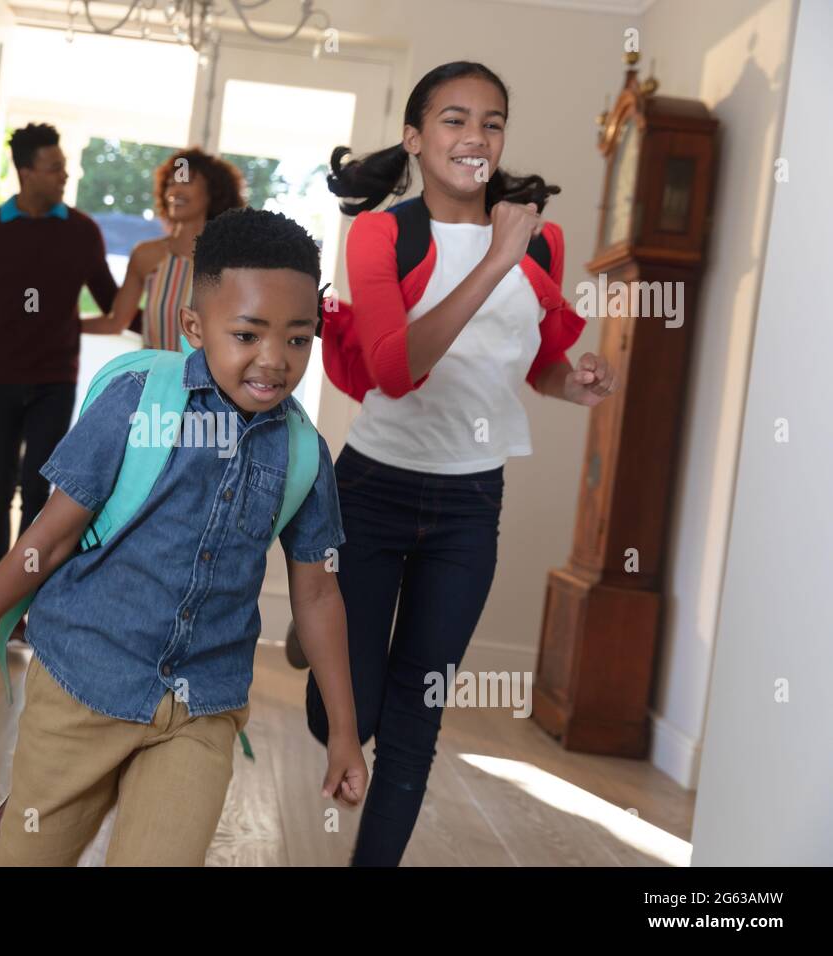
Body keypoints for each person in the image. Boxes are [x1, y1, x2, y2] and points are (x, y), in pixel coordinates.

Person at [0, 208, 368, 866]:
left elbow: (317, 596)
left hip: (201, 707)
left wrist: (345, 732)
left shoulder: (304, 454)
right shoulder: (139, 404)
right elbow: (47, 542)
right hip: (84, 684)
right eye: (248, 334)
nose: (273, 360)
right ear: (196, 328)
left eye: (297, 339)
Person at [299, 61, 617, 866]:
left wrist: (572, 384)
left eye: (492, 121)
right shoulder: (383, 233)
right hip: (372, 488)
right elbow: (396, 369)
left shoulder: (540, 238)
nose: (475, 136)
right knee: (342, 715)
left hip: (471, 503)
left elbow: (538, 361)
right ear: (415, 137)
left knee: (418, 713)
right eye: (453, 119)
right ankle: (317, 645)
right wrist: (492, 260)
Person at [0, 123, 121, 642]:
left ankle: (22, 600)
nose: (65, 175)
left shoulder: (82, 231)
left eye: (64, 166)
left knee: (37, 489)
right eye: (55, 167)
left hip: (54, 381)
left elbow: (112, 301)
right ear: (26, 172)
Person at [83, 148, 245, 351]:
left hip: (209, 382)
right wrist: (62, 326)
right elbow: (116, 323)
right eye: (170, 183)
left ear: (213, 191)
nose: (174, 191)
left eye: (185, 182)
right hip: (153, 379)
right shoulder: (146, 255)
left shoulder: (233, 262)